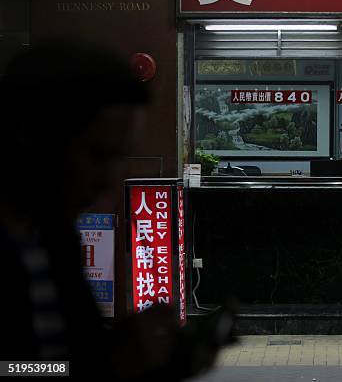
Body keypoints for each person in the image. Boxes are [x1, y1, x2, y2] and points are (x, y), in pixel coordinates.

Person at [0, 39, 232, 381]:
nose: (108, 182)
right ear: (30, 137)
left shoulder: (54, 241)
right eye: (97, 156)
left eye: (120, 157)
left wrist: (135, 358)